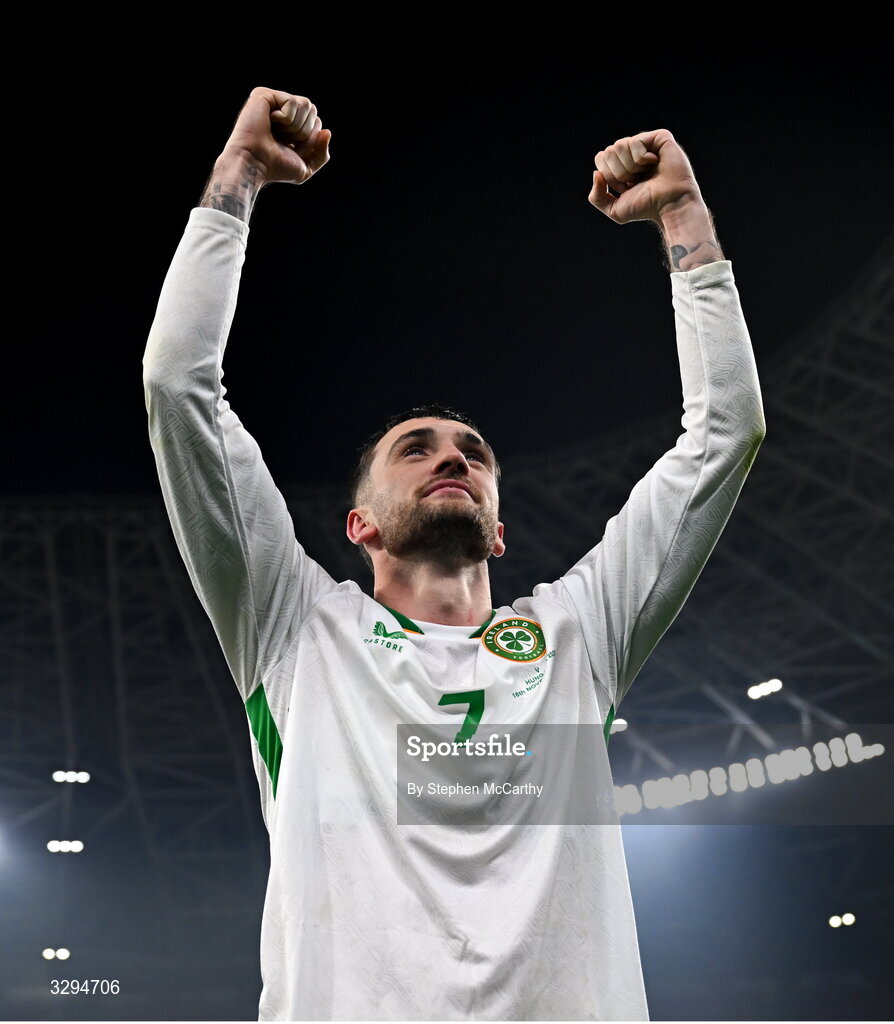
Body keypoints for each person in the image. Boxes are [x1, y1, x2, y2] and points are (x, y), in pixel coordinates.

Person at [143, 87, 764, 1021]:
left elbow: (726, 432)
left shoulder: (576, 638)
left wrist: (684, 217)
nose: (452, 458)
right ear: (360, 528)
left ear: (499, 531)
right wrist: (237, 174)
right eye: (416, 448)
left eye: (474, 455)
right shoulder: (294, 627)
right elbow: (176, 384)